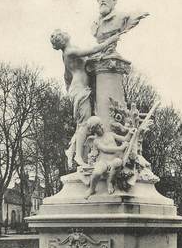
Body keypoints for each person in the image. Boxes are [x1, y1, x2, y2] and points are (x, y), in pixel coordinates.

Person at [50, 29, 119, 167]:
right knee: (85, 124)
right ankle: (78, 157)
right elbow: (94, 49)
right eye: (62, 32)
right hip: (80, 90)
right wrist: (111, 40)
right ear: (62, 38)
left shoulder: (68, 53)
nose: (65, 32)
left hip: (79, 89)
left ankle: (74, 151)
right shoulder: (70, 52)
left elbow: (67, 76)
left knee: (84, 124)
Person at [84, 116, 133, 199]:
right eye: (97, 128)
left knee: (118, 162)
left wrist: (130, 133)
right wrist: (120, 148)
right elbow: (105, 149)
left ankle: (110, 182)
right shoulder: (96, 141)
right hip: (103, 161)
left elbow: (125, 139)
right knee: (97, 172)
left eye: (101, 125)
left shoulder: (111, 134)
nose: (101, 128)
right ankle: (92, 189)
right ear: (94, 131)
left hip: (113, 160)